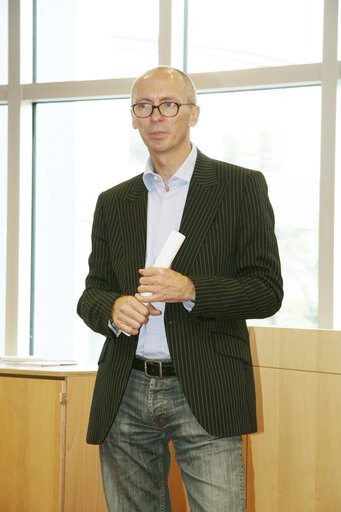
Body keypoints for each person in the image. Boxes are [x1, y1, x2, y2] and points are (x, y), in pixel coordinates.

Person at [77, 66, 283, 512]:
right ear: (133, 118)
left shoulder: (240, 187)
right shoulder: (114, 202)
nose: (156, 116)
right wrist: (112, 308)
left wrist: (191, 289)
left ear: (193, 114)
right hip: (126, 387)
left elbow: (266, 291)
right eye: (143, 106)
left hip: (205, 389)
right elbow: (91, 293)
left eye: (169, 105)